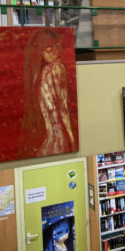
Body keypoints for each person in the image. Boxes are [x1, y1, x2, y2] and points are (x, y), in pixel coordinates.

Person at [20, 29, 76, 158]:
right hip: (59, 140)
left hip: (50, 142)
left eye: (58, 46)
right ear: (39, 53)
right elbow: (64, 110)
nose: (57, 51)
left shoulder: (41, 75)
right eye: (49, 49)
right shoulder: (55, 69)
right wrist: (73, 140)